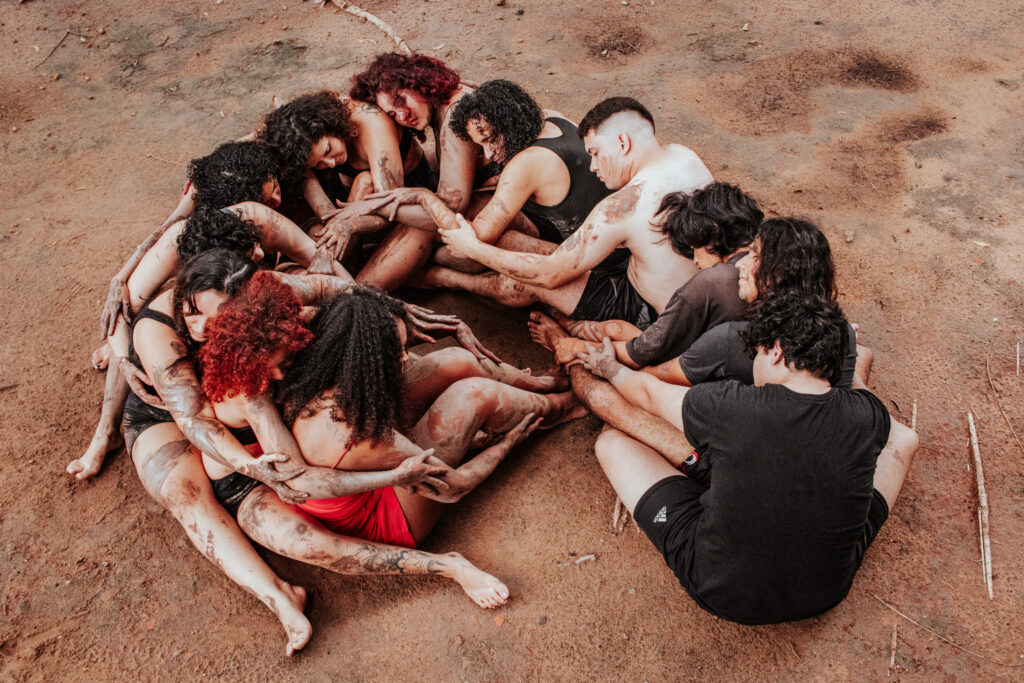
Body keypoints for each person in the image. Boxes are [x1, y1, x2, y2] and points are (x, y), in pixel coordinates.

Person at [114, 249, 520, 654]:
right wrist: (252, 466)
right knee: (193, 499)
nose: (202, 328)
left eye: (218, 316)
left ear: (249, 306)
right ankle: (280, 599)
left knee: (373, 397)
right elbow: (198, 422)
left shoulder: (263, 320)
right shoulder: (185, 348)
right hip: (184, 429)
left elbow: (329, 287)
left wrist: (387, 312)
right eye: (192, 314)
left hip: (263, 433)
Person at [573, 292, 919, 624]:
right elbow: (857, 385)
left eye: (757, 352)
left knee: (613, 445)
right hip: (827, 589)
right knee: (904, 439)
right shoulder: (868, 414)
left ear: (777, 352)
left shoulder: (729, 406)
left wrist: (610, 368)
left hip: (723, 591)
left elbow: (648, 394)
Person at [198, 282, 586, 548]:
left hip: (348, 441)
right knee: (472, 397)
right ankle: (561, 407)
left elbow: (346, 299)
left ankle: (539, 387)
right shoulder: (268, 398)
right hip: (384, 511)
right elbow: (453, 487)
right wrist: (508, 441)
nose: (404, 359)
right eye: (394, 353)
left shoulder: (298, 338)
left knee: (454, 361)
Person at [429, 97, 714, 330]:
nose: (592, 166)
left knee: (530, 280)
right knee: (536, 252)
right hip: (705, 293)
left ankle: (449, 279)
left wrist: (472, 248)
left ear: (623, 143)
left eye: (596, 152)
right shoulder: (683, 154)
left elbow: (548, 275)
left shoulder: (620, 208)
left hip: (652, 314)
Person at [365, 79, 611, 274]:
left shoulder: (525, 166)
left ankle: (426, 272)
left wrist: (425, 198)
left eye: (489, 141)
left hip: (589, 256)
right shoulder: (550, 117)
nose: (488, 154)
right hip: (600, 224)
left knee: (451, 229)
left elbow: (474, 239)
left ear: (507, 121)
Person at [531, 182, 761, 368]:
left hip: (700, 376)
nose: (695, 260)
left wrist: (576, 347)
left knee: (612, 340)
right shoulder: (776, 247)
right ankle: (571, 328)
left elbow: (643, 351)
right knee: (614, 329)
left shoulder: (710, 284)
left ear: (712, 233)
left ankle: (562, 343)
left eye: (694, 249)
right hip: (746, 362)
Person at [98, 141, 283, 341]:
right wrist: (120, 278)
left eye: (276, 188)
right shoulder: (187, 228)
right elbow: (166, 228)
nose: (277, 201)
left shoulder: (257, 163)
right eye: (266, 202)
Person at [346, 53, 484, 290]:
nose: (402, 116)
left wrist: (377, 204)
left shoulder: (456, 116)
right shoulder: (448, 97)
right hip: (487, 200)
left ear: (418, 83)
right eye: (391, 114)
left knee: (421, 226)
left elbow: (449, 209)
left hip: (515, 213)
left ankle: (355, 296)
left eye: (400, 100)